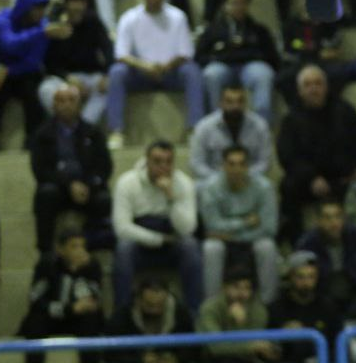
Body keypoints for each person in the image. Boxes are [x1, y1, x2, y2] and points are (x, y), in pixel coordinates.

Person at [276, 64, 356, 243]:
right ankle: (297, 243)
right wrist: (311, 178)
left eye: (318, 83)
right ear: (300, 91)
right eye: (308, 85)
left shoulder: (344, 111)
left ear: (326, 87)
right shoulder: (291, 119)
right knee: (287, 187)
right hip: (309, 181)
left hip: (345, 178)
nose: (313, 89)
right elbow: (287, 156)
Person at [106, 0, 203, 148]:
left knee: (192, 71)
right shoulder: (129, 18)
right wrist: (146, 67)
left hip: (171, 72)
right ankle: (116, 131)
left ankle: (195, 129)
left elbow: (186, 53)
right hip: (140, 74)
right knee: (117, 72)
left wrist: (165, 67)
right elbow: (121, 55)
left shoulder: (178, 16)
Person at [111, 140, 202, 313]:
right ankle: (121, 315)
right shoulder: (127, 182)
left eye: (168, 162)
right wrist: (159, 239)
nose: (163, 167)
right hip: (140, 245)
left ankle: (194, 315)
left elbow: (187, 229)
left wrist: (171, 198)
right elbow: (122, 229)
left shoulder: (184, 183)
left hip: (172, 245)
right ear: (147, 161)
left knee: (190, 246)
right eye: (157, 161)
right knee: (123, 249)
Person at [17, 228, 105, 363]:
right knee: (35, 321)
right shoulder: (46, 264)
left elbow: (93, 299)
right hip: (51, 317)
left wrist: (78, 273)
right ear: (60, 249)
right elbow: (36, 300)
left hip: (78, 320)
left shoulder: (92, 265)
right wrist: (68, 309)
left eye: (82, 246)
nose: (80, 251)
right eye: (74, 246)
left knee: (91, 319)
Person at [29, 85, 113, 254]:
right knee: (45, 195)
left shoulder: (93, 132)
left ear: (79, 105)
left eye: (71, 100)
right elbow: (40, 170)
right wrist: (69, 184)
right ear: (53, 106)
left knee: (104, 199)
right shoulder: (42, 134)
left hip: (87, 188)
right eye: (61, 101)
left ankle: (94, 247)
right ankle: (45, 253)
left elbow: (105, 167)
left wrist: (88, 185)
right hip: (57, 187)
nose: (66, 105)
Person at [199, 145, 280, 304]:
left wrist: (231, 234)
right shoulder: (210, 188)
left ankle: (268, 305)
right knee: (211, 247)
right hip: (227, 241)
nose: (236, 169)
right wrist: (245, 222)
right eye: (231, 164)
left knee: (267, 246)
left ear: (248, 166)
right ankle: (212, 305)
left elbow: (269, 228)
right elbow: (211, 225)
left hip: (251, 239)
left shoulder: (264, 187)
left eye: (242, 164)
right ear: (223, 166)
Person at [195, 0, 280, 120]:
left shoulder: (259, 30)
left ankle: (262, 123)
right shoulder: (212, 30)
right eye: (234, 2)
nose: (239, 7)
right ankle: (216, 121)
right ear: (225, 5)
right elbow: (199, 57)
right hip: (222, 68)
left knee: (264, 74)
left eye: (242, 2)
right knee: (211, 74)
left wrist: (227, 53)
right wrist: (223, 56)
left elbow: (272, 57)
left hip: (251, 68)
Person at [38, 0, 114, 127]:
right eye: (74, 1)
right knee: (45, 89)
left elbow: (107, 47)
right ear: (66, 2)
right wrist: (67, 78)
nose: (78, 6)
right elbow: (48, 62)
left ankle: (82, 128)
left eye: (82, 1)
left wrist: (106, 74)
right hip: (63, 78)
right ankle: (63, 126)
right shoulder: (55, 23)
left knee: (110, 87)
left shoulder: (93, 20)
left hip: (90, 76)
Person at [0, 0, 67, 147]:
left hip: (26, 75)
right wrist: (40, 33)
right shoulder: (4, 19)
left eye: (43, 8)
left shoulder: (43, 25)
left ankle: (32, 144)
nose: (41, 12)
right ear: (25, 6)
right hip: (5, 74)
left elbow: (32, 61)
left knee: (34, 96)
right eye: (36, 7)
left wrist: (41, 32)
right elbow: (10, 44)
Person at [296, 200, 356, 314]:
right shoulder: (308, 244)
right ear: (318, 221)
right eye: (327, 218)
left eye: (337, 216)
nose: (333, 223)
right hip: (323, 300)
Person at [189, 84, 272, 182]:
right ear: (220, 103)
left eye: (240, 101)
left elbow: (264, 162)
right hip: (214, 181)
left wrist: (244, 176)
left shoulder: (260, 126)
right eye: (229, 101)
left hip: (250, 181)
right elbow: (196, 163)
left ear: (246, 103)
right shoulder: (204, 127)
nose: (235, 106)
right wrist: (221, 180)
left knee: (266, 186)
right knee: (199, 186)